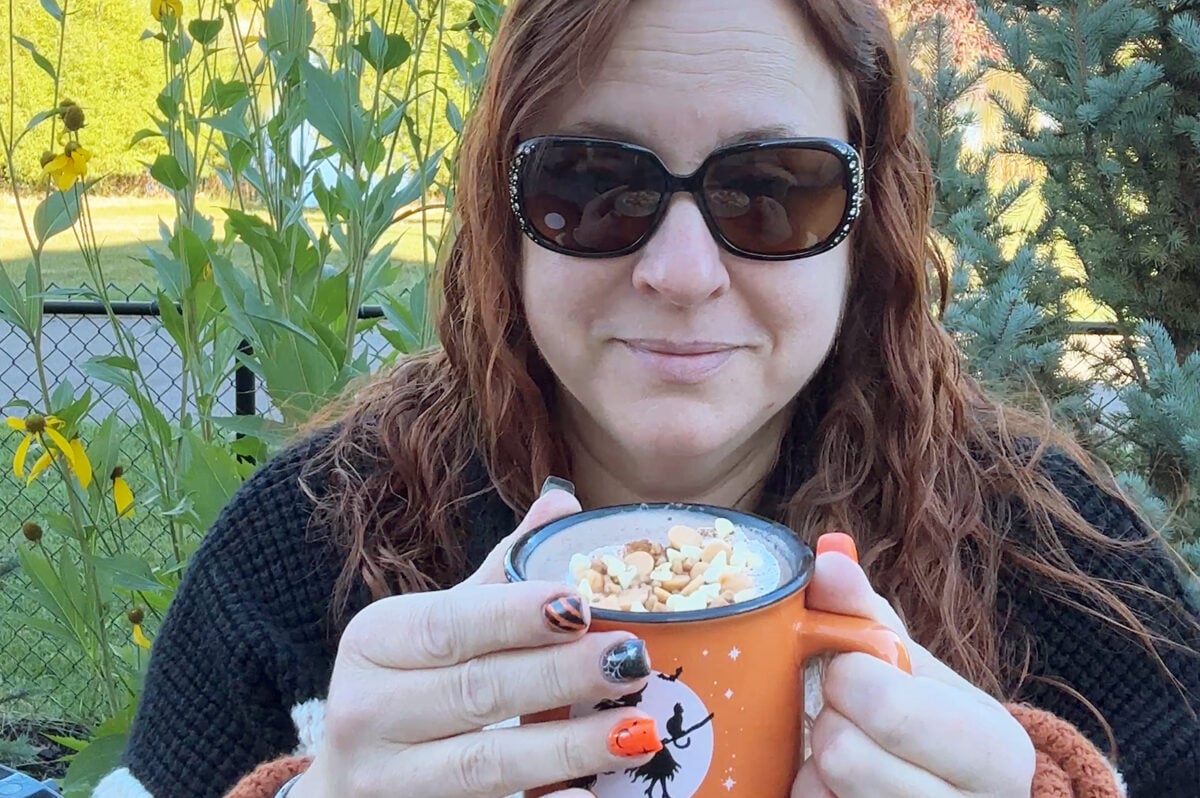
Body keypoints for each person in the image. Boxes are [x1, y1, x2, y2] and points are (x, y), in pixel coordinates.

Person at [92, 0, 1200, 796]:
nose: (680, 273)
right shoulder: (303, 554)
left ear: (867, 229)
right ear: (504, 215)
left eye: (773, 192)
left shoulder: (1066, 571)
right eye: (594, 186)